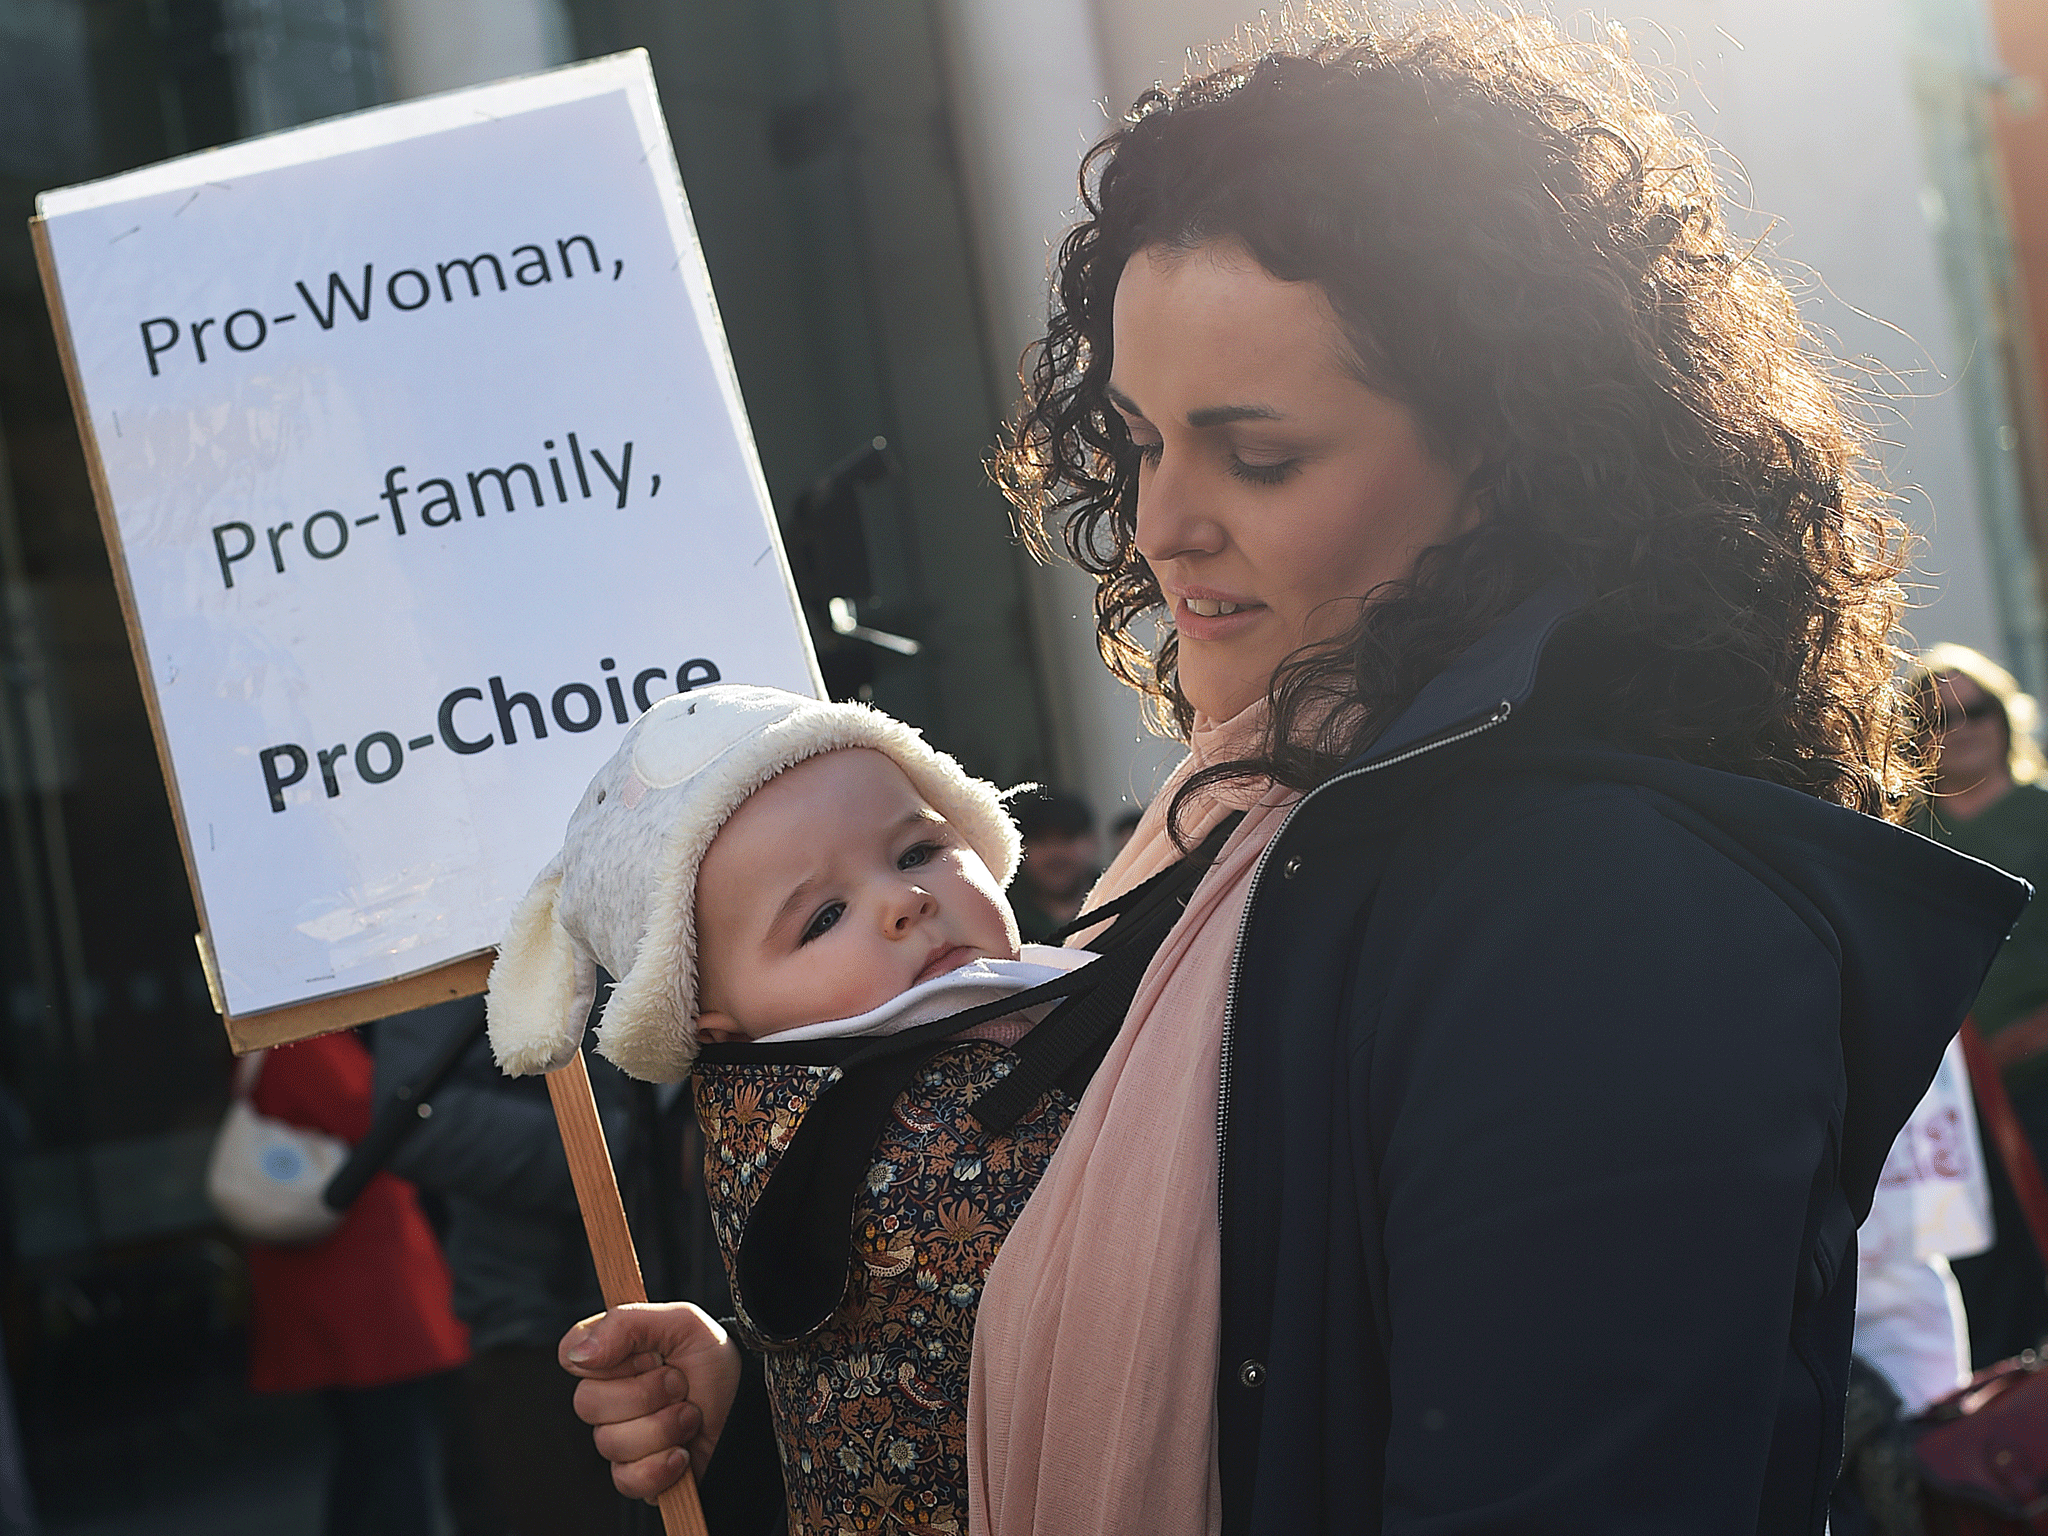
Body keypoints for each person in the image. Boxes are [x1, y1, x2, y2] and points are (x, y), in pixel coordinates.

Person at [557, 15, 2027, 1533]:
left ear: (1517, 457)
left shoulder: (1610, 913)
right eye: (1137, 439)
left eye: (1258, 456)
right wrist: (768, 1418)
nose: (1163, 523)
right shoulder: (1252, 814)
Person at [488, 684, 1094, 1533]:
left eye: (919, 850)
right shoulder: (802, 1146)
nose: (904, 902)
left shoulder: (1098, 985)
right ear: (717, 1024)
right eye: (825, 917)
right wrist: (751, 1403)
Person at [241, 1031, 470, 1536]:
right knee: (393, 1458)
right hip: (361, 1293)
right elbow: (378, 1118)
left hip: (343, 1285)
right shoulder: (303, 1043)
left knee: (367, 1457)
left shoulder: (290, 1043)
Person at [1910, 643, 2048, 1366]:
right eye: (1938, 714)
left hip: (2040, 1086)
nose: (1961, 725)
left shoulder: (2041, 816)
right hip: (1939, 1115)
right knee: (1980, 1288)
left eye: (1978, 708)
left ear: (2006, 718)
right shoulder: (1900, 840)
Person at [1005, 786, 1101, 940]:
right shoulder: (1002, 921)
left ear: (1093, 842)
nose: (1055, 853)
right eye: (1042, 841)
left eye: (1066, 838)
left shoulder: (1124, 906)